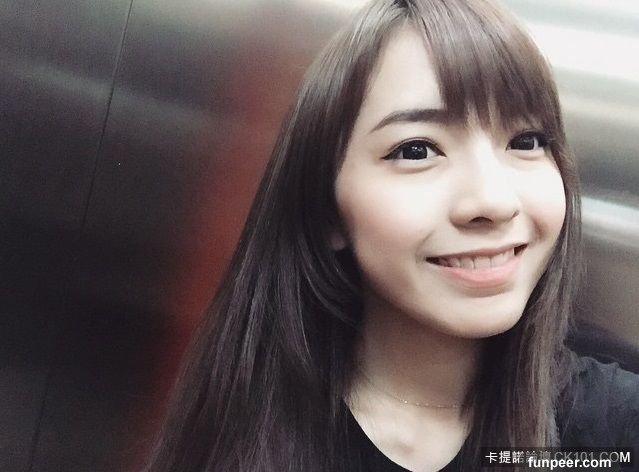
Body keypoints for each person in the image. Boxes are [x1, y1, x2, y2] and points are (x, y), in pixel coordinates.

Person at [144, 0, 639, 471]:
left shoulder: (612, 428)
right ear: (327, 210)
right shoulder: (242, 432)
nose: (494, 201)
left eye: (526, 141)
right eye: (417, 150)